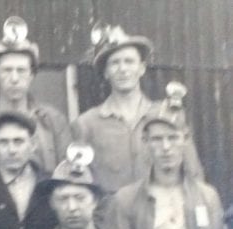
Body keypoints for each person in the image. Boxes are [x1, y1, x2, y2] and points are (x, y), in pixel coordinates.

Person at [72, 25, 202, 195]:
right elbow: (79, 184)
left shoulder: (167, 115)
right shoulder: (87, 123)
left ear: (142, 68)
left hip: (160, 214)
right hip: (112, 218)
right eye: (115, 63)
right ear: (105, 72)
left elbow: (193, 173)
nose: (123, 69)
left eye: (129, 61)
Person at [0, 17, 71, 172]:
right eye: (7, 70)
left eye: (21, 70)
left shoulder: (53, 120)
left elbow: (65, 173)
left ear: (31, 75)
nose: (14, 79)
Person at [0, 110, 57, 229]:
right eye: (3, 142)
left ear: (33, 144)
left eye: (19, 141)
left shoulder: (51, 184)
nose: (12, 150)